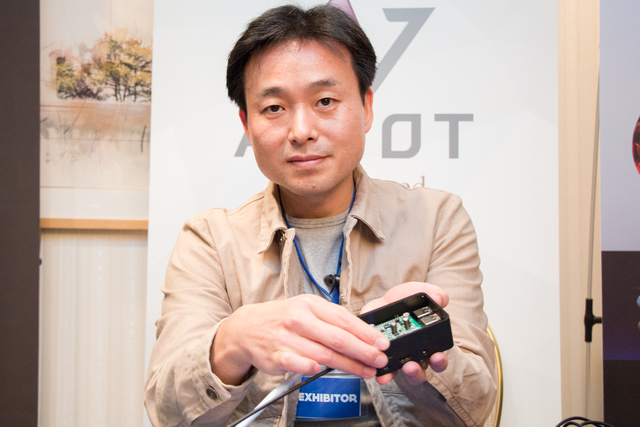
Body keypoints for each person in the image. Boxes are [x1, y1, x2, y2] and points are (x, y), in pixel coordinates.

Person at [145, 4, 497, 427]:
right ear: (246, 124)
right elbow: (166, 412)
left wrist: (415, 342)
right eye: (273, 108)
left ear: (366, 107)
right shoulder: (210, 239)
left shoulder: (437, 220)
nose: (301, 131)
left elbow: (477, 407)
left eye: (325, 101)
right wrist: (231, 342)